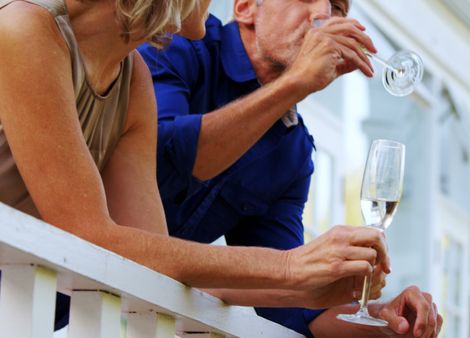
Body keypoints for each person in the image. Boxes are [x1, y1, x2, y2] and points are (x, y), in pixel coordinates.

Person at [0, 0, 392, 331]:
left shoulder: (132, 77)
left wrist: (312, 285)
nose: (324, 12)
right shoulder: (26, 28)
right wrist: (288, 269)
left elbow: (158, 260)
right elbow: (90, 234)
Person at [138, 0, 443, 337]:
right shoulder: (178, 39)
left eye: (338, 7)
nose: (324, 14)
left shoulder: (292, 151)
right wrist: (296, 82)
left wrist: (382, 317)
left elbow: (289, 308)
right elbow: (164, 157)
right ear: (245, 8)